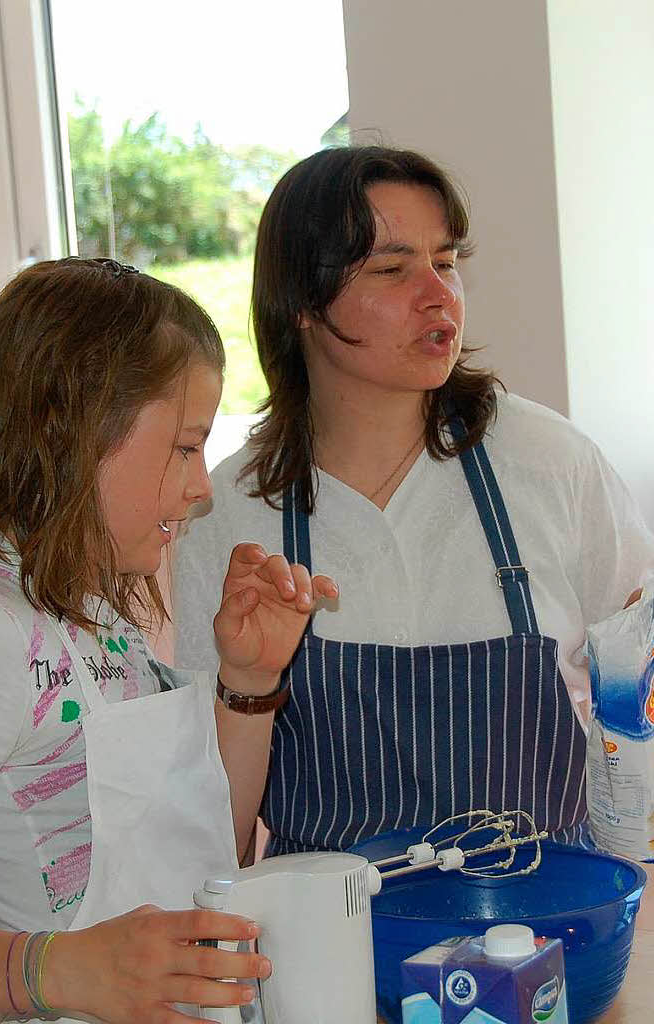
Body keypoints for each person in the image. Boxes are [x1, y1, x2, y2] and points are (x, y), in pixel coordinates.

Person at [0, 257, 337, 1022]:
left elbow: (205, 857)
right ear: (81, 429)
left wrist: (250, 681)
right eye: (186, 446)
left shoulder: (94, 614)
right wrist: (56, 969)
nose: (201, 490)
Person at [172, 145, 654, 858]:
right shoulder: (232, 509)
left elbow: (639, 686)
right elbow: (208, 830)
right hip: (328, 947)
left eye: (447, 261)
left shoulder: (549, 462)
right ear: (302, 302)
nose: (438, 295)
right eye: (392, 270)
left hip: (546, 934)